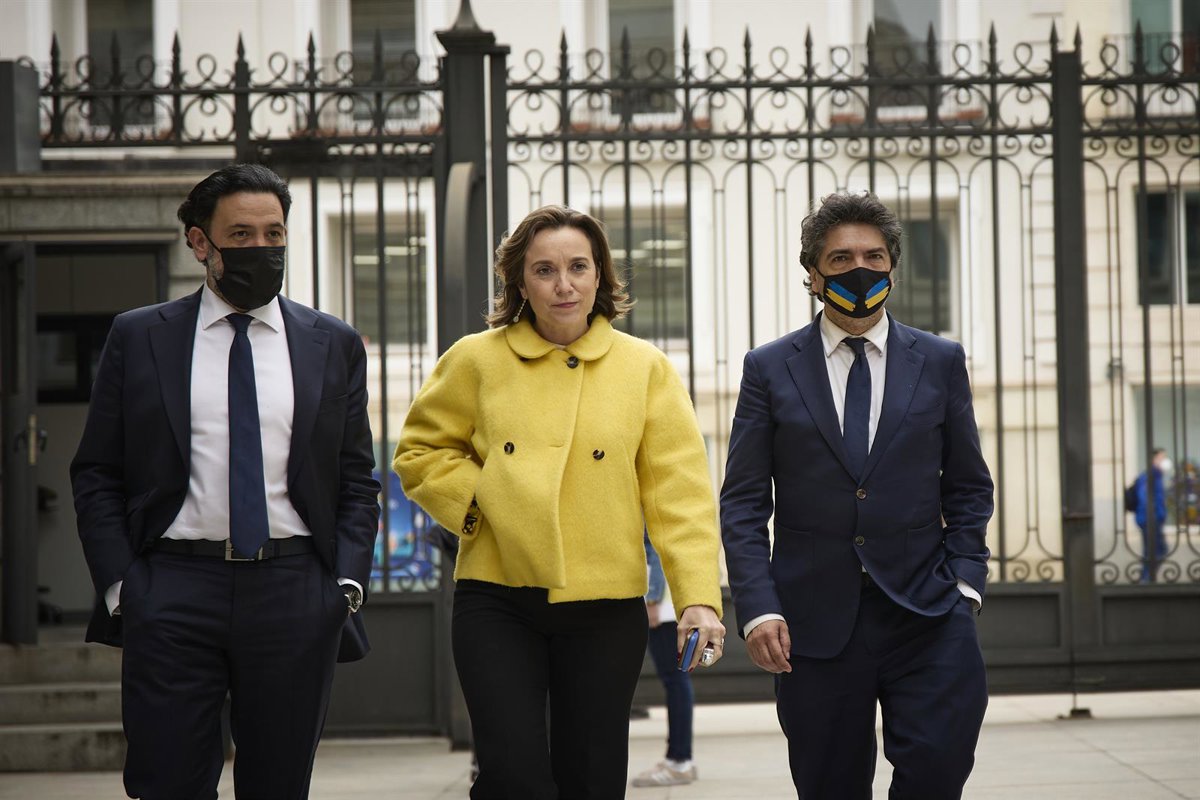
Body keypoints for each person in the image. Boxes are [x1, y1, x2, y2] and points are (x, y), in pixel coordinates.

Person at [394, 205, 725, 799]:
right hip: (497, 598)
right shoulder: (475, 359)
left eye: (578, 267)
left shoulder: (645, 369)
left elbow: (679, 495)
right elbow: (420, 451)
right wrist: (480, 504)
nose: (563, 284)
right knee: (511, 777)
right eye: (544, 270)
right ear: (520, 283)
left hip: (606, 607)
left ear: (600, 276)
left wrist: (697, 598)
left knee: (592, 780)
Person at [71, 163, 380, 799]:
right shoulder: (140, 335)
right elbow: (98, 471)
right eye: (241, 235)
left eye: (274, 234)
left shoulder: (333, 343)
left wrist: (344, 585)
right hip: (172, 588)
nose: (261, 248)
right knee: (168, 782)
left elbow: (355, 478)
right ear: (199, 242)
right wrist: (125, 587)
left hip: (294, 590)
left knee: (278, 784)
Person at [720, 192, 993, 800]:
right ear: (813, 275)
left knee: (938, 770)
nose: (859, 269)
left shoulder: (940, 361)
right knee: (830, 786)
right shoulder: (769, 368)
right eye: (840, 259)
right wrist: (759, 607)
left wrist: (966, 581)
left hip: (928, 612)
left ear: (892, 266)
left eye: (873, 256)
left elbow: (969, 485)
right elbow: (743, 501)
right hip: (814, 624)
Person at [631, 532, 699, 788]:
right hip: (668, 605)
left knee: (676, 682)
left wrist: (652, 599)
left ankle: (679, 761)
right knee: (677, 681)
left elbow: (655, 546)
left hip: (662, 608)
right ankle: (678, 758)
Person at [1133, 447, 1170, 583]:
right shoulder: (1150, 476)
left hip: (1154, 519)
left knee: (1154, 551)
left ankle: (1146, 578)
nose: (1165, 461)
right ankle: (1146, 579)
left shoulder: (1157, 476)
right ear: (1154, 459)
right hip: (1150, 520)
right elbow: (1144, 498)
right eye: (1162, 458)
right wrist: (1153, 516)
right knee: (1156, 550)